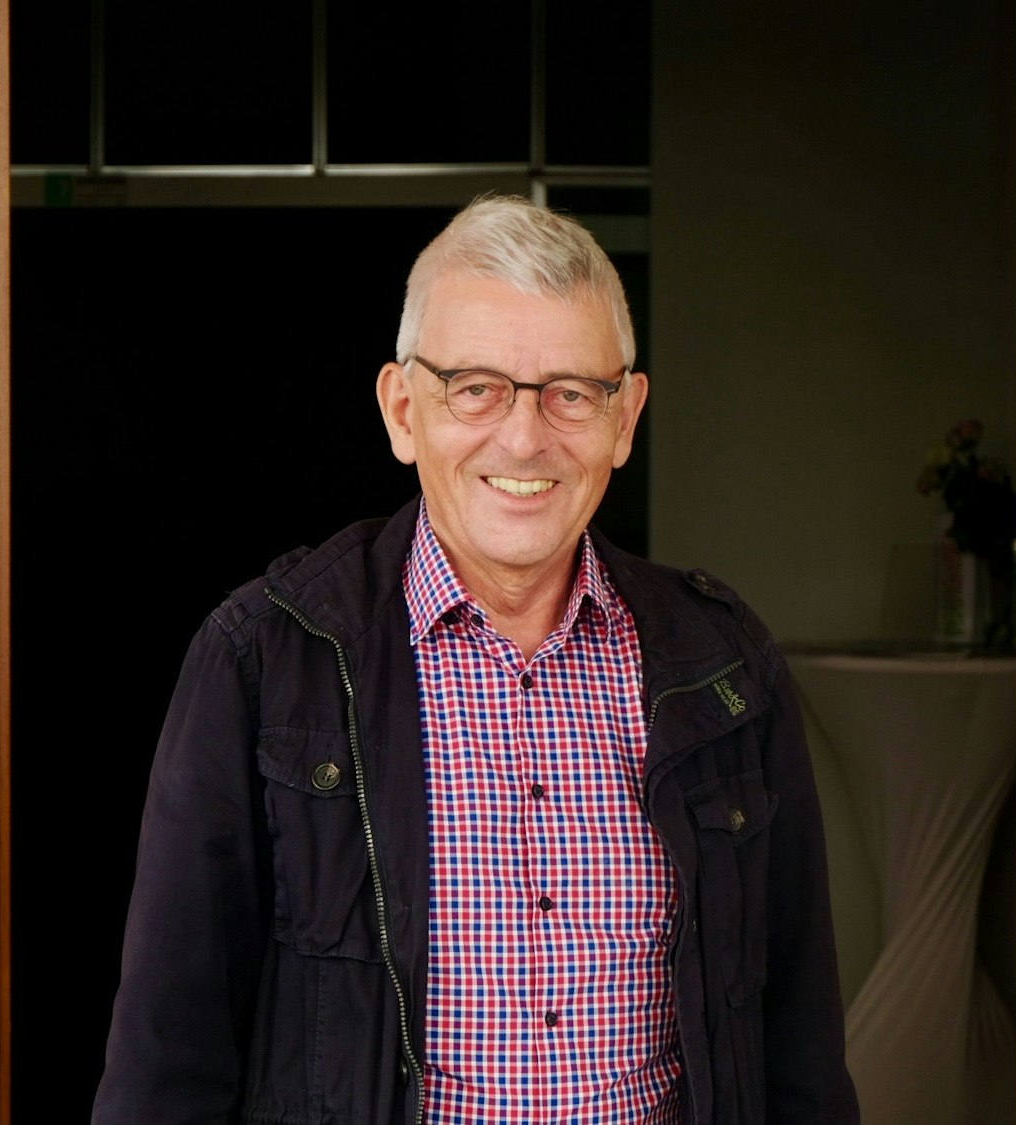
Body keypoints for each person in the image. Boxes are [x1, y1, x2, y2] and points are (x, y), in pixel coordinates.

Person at [93, 196, 857, 1124]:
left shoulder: (724, 664)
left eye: (572, 391)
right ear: (403, 409)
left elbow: (799, 1043)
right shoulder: (264, 661)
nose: (526, 436)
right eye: (476, 387)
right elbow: (168, 1058)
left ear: (626, 418)